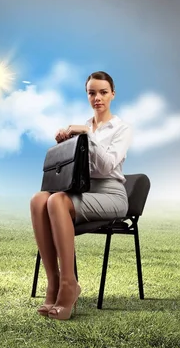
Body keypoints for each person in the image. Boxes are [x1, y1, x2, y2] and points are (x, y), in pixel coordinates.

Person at [29, 71, 133, 320]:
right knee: (38, 199)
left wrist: (87, 136)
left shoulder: (121, 128)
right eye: (92, 92)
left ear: (113, 94)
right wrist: (66, 143)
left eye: (103, 92)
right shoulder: (83, 127)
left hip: (111, 195)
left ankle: (68, 285)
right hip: (83, 192)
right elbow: (78, 169)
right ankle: (53, 283)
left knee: (56, 200)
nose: (97, 98)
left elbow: (107, 167)